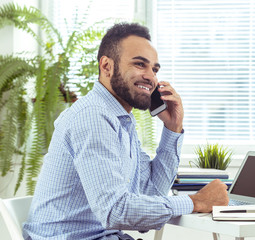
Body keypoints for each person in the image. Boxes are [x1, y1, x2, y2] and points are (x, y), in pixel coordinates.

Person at [23, 22, 229, 240]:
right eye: (140, 64)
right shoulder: (93, 116)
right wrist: (195, 202)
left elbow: (150, 193)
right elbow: (115, 210)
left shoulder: (121, 120)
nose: (151, 77)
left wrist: (172, 128)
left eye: (155, 69)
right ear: (106, 67)